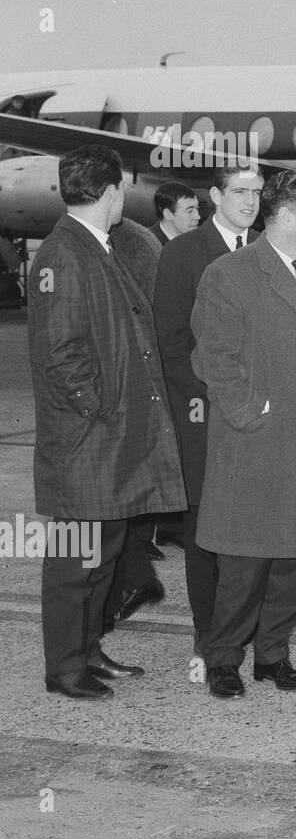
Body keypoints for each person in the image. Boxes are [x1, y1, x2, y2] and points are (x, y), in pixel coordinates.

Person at [192, 171, 296, 699]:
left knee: (294, 559)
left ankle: (273, 654)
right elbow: (214, 356)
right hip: (256, 443)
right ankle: (223, 658)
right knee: (244, 565)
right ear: (286, 217)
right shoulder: (230, 273)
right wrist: (248, 412)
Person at [28, 146, 186, 699]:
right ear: (113, 192)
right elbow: (61, 352)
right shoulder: (63, 253)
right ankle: (64, 668)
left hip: (109, 441)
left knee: (104, 557)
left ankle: (89, 650)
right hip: (87, 443)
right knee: (75, 565)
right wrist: (100, 410)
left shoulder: (98, 246)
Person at [153, 163, 264, 656]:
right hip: (206, 412)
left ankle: (250, 632)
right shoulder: (183, 253)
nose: (250, 201)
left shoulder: (268, 248)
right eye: (240, 192)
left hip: (261, 413)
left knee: (255, 528)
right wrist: (216, 394)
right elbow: (172, 343)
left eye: (257, 192)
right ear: (216, 196)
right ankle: (209, 637)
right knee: (206, 531)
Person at [101, 217, 168, 629]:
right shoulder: (139, 239)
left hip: (123, 393)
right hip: (137, 388)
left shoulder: (119, 243)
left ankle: (122, 594)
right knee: (115, 504)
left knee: (103, 507)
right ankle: (138, 578)